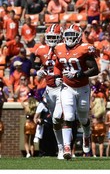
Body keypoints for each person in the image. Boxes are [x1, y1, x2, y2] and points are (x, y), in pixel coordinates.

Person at [54, 24, 99, 160]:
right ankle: (67, 147)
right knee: (68, 117)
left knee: (83, 118)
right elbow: (57, 64)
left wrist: (80, 74)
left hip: (83, 87)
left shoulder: (85, 48)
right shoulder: (59, 48)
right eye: (67, 35)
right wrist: (57, 77)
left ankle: (86, 135)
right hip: (67, 87)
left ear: (79, 37)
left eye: (72, 35)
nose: (69, 38)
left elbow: (95, 69)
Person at [33, 24, 65, 160]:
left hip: (64, 88)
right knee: (54, 120)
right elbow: (38, 64)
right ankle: (59, 148)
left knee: (60, 117)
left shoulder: (65, 49)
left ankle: (64, 148)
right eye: (50, 37)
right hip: (50, 88)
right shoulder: (41, 50)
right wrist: (40, 70)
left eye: (54, 37)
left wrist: (63, 78)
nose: (52, 39)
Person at [20, 92, 38, 158]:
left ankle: (28, 153)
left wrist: (25, 99)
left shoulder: (26, 107)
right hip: (33, 125)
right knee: (32, 141)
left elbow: (21, 103)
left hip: (27, 124)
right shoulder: (35, 108)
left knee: (26, 141)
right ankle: (32, 154)